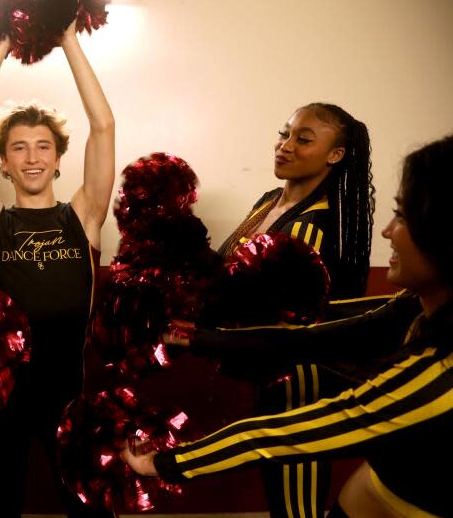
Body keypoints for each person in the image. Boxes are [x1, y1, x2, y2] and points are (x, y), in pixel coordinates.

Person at [123, 134, 453, 517]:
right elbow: (313, 334)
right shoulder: (413, 305)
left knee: (295, 501)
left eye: (405, 216)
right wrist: (194, 335)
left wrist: (166, 464)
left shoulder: (438, 373)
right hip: (369, 489)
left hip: (307, 404)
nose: (388, 230)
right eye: (285, 134)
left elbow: (287, 434)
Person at [0, 20, 115, 517]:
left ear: (59, 159)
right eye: (18, 148)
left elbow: (104, 127)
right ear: (3, 162)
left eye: (43, 146)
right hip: (3, 392)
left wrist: (67, 39)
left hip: (70, 390)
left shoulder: (85, 215)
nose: (31, 157)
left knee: (89, 507)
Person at [213, 103, 374, 518]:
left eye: (303, 139)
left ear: (334, 155)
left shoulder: (312, 225)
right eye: (284, 133)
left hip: (299, 375)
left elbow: (276, 314)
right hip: (268, 364)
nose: (285, 146)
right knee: (277, 485)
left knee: (295, 497)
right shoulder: (270, 201)